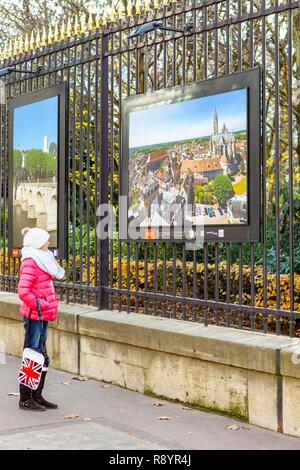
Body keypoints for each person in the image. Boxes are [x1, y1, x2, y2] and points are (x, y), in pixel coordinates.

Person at [17, 227, 65, 411]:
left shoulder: (42, 260)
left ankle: (37, 395)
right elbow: (23, 291)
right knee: (32, 355)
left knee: (42, 357)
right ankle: (25, 398)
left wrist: (44, 306)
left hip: (42, 314)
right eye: (46, 241)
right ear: (38, 243)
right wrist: (41, 304)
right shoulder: (31, 262)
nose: (48, 244)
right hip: (34, 314)